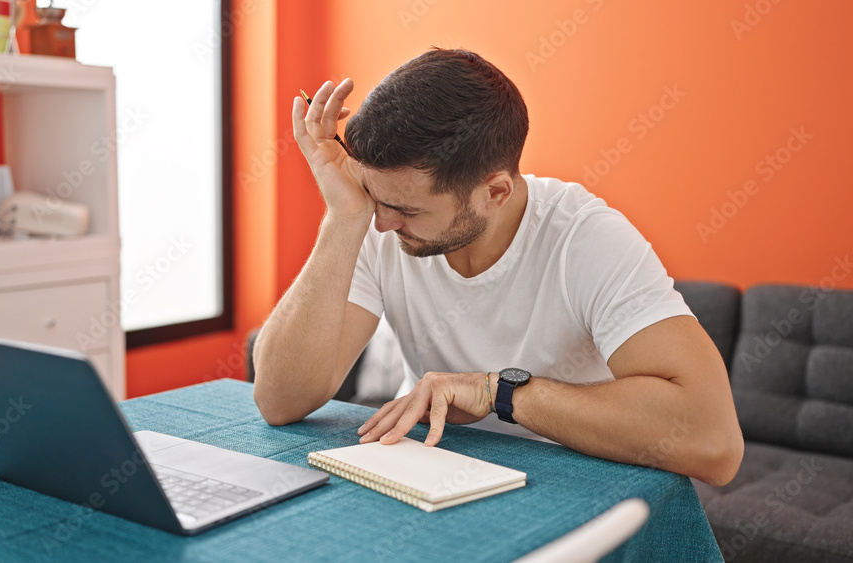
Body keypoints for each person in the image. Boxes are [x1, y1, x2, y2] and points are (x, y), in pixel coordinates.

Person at [252, 48, 743, 486]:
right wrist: (344, 218)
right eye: (372, 198)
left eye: (407, 209)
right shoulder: (378, 217)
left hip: (564, 479)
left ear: (495, 192)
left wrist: (497, 391)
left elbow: (715, 443)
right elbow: (279, 401)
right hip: (423, 468)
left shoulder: (586, 238)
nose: (382, 223)